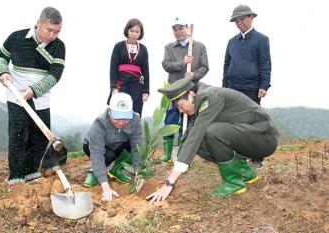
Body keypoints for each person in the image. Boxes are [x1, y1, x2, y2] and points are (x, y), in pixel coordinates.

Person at [146, 77, 278, 204]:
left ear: (191, 94)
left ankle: (234, 183)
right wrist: (175, 162)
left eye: (181, 106)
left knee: (211, 132)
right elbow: (189, 137)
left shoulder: (210, 97)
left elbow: (196, 136)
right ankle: (245, 173)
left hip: (264, 138)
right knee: (198, 137)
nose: (181, 111)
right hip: (249, 136)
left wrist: (170, 183)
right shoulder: (202, 100)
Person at [0, 7, 65, 185]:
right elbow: (0, 56)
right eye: (49, 30)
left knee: (40, 136)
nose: (53, 35)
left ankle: (30, 171)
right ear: (38, 24)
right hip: (16, 95)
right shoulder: (17, 38)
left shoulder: (59, 46)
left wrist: (33, 90)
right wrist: (3, 72)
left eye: (57, 32)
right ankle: (16, 176)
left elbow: (55, 74)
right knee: (18, 134)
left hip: (41, 97)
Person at [222, 4, 272, 168]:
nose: (239, 23)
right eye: (236, 20)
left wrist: (264, 85)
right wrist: (224, 88)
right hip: (233, 88)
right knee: (235, 123)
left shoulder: (261, 39)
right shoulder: (231, 42)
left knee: (253, 123)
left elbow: (265, 63)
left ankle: (257, 157)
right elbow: (226, 65)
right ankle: (240, 155)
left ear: (251, 18)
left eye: (242, 19)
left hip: (252, 88)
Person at [161, 17, 209, 162]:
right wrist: (182, 63)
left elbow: (205, 67)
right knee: (172, 120)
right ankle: (169, 152)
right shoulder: (169, 47)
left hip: (192, 89)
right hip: (175, 89)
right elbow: (166, 65)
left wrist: (194, 75)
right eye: (175, 29)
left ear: (187, 28)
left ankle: (185, 152)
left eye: (181, 28)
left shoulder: (199, 46)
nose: (178, 32)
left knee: (190, 121)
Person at [83, 93, 142, 202]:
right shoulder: (99, 123)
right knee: (109, 156)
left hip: (118, 143)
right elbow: (97, 154)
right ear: (109, 111)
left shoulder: (136, 120)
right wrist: (106, 189)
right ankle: (93, 172)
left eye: (125, 119)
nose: (121, 123)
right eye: (117, 118)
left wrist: (139, 173)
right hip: (93, 146)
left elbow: (137, 146)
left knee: (134, 145)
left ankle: (116, 170)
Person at [109, 18, 150, 116]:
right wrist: (114, 88)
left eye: (137, 31)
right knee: (120, 111)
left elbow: (146, 70)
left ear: (140, 33)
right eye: (132, 31)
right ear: (127, 31)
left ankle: (134, 131)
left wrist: (145, 91)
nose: (134, 34)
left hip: (137, 85)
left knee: (135, 113)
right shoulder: (118, 46)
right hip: (121, 84)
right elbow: (113, 67)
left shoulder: (143, 49)